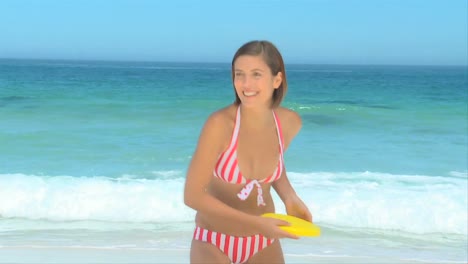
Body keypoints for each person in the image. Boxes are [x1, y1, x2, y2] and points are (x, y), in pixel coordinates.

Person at [184, 40, 312, 264]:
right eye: (239, 74)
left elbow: (273, 165)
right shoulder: (220, 124)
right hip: (214, 241)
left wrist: (289, 197)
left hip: (263, 242)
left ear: (277, 79)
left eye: (256, 74)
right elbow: (192, 196)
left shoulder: (289, 122)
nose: (246, 83)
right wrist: (257, 223)